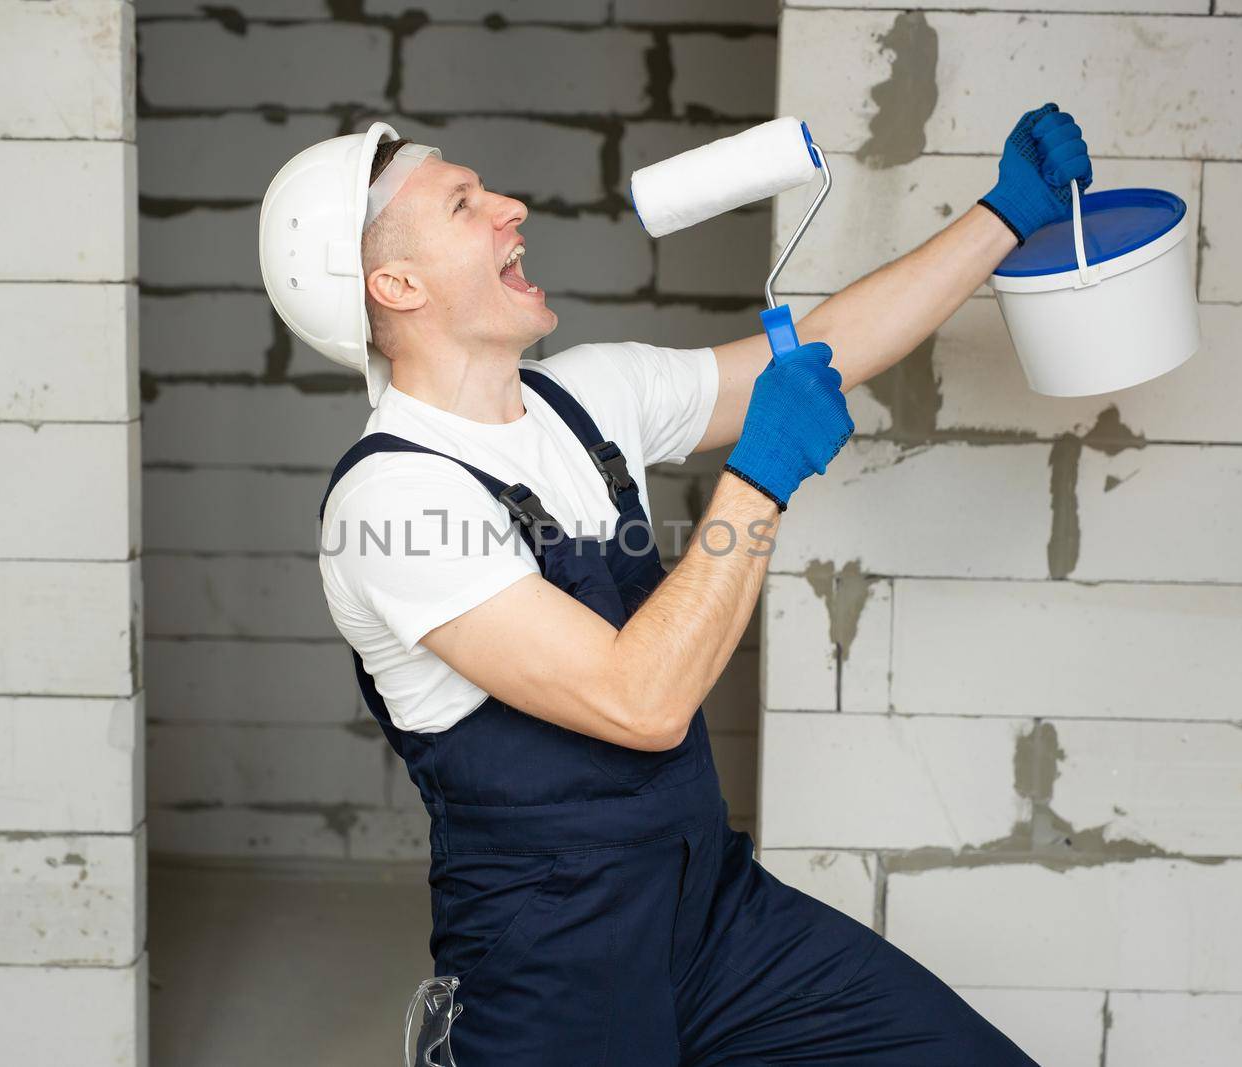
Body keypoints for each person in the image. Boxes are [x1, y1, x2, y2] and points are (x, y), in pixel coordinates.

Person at [258, 104, 1092, 1065]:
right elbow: (638, 698)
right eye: (464, 205)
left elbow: (827, 345)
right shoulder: (390, 499)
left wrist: (1005, 215)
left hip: (711, 918)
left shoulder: (587, 396)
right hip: (553, 968)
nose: (510, 207)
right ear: (394, 283)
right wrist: (761, 479)